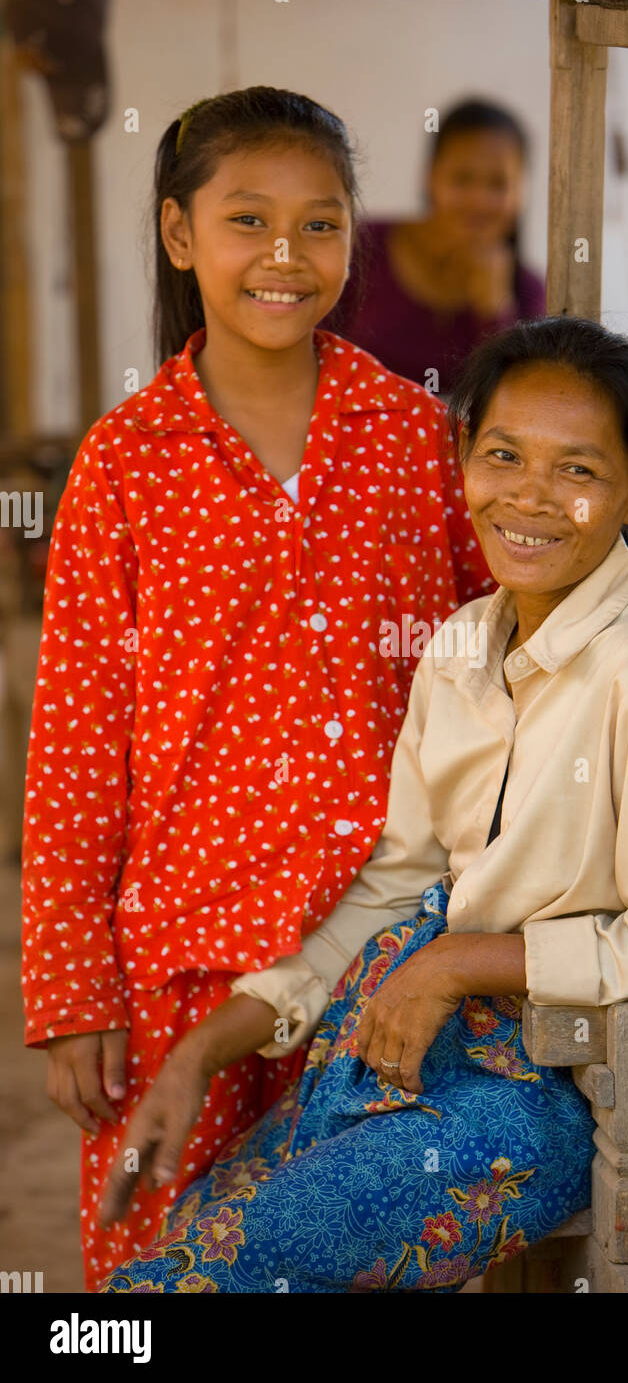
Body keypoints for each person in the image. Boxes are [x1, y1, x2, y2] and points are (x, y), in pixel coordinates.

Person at [98, 316, 628, 1294]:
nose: (528, 497)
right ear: (464, 460)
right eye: (502, 455)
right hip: (398, 1065)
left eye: (575, 469)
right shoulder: (460, 646)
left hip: (545, 1094)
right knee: (195, 1233)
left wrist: (460, 960)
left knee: (218, 1275)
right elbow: (390, 889)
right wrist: (203, 1049)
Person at [21, 86, 492, 1292]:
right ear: (181, 234)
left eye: (320, 224)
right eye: (246, 220)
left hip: (392, 950)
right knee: (172, 1263)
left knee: (371, 1256)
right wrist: (74, 988)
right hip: (184, 962)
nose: (284, 258)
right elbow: (77, 745)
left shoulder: (411, 434)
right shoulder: (124, 467)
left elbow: (507, 634)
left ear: (353, 239)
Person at [323, 99, 546, 393]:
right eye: (462, 178)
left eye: (497, 183)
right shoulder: (361, 246)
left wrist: (495, 311)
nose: (479, 200)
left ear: (521, 192)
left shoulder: (527, 291)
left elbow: (517, 402)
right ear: (429, 176)